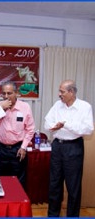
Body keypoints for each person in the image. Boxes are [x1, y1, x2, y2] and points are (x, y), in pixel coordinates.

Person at [44, 79, 94, 217]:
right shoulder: (57, 105)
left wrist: (65, 124)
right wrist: (54, 126)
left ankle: (72, 216)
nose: (59, 94)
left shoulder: (85, 107)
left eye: (62, 91)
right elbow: (47, 122)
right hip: (57, 146)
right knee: (54, 184)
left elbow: (88, 129)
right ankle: (53, 215)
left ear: (71, 92)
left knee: (73, 186)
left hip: (74, 147)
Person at [0, 82, 35, 188]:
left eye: (9, 93)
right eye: (4, 93)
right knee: (1, 180)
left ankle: (19, 203)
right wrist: (2, 111)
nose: (6, 96)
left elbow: (30, 129)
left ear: (16, 93)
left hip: (18, 149)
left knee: (19, 181)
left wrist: (23, 147)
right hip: (2, 149)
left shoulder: (25, 107)